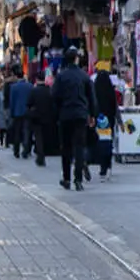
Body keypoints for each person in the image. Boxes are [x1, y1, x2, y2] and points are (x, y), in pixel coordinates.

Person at [51, 47, 97, 190]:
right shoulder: (84, 76)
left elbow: (54, 96)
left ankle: (66, 178)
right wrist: (92, 114)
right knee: (79, 147)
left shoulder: (61, 76)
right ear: (77, 58)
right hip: (80, 115)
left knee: (66, 148)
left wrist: (58, 113)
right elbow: (92, 97)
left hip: (65, 115)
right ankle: (78, 179)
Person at [93, 70, 120, 179]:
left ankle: (102, 166)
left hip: (98, 121)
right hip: (109, 122)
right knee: (108, 143)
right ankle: (108, 164)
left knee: (99, 143)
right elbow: (115, 107)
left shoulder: (95, 91)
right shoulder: (110, 91)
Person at [26, 69, 54, 167]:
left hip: (36, 118)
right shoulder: (49, 91)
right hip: (47, 117)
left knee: (38, 138)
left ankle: (40, 157)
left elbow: (29, 104)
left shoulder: (34, 91)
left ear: (37, 79)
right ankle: (43, 155)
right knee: (45, 137)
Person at [7, 66, 33, 159]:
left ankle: (16, 151)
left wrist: (12, 112)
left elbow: (12, 101)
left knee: (17, 132)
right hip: (28, 112)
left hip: (17, 112)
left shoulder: (13, 87)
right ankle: (26, 150)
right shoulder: (30, 86)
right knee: (26, 131)